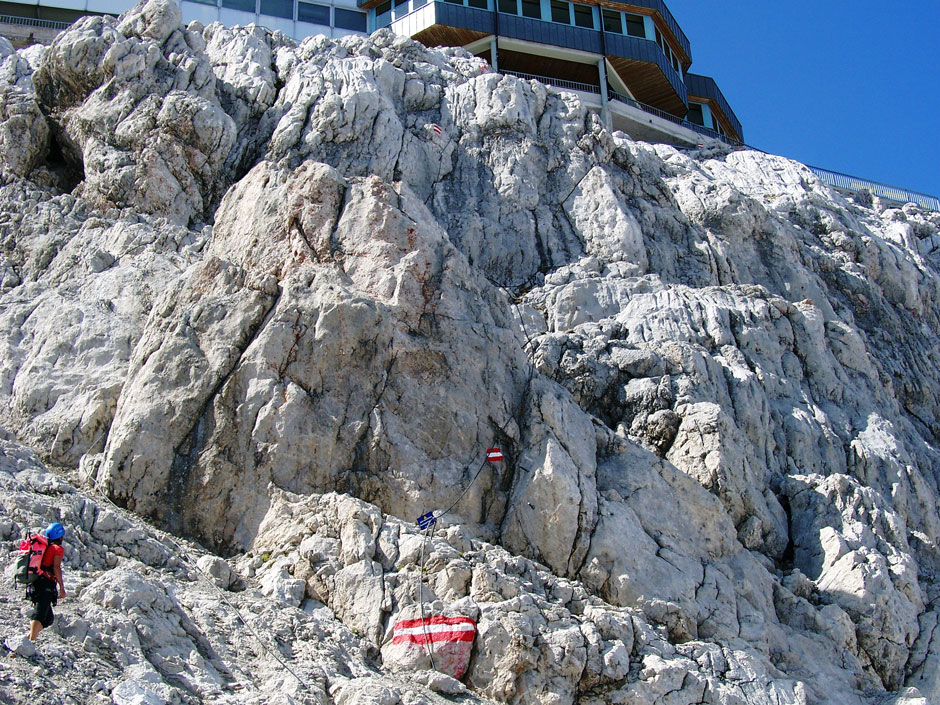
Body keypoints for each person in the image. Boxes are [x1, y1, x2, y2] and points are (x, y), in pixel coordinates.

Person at [27, 522, 66, 642]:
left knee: (48, 618)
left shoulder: (46, 547)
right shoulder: (57, 549)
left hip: (38, 580)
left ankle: (28, 639)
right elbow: (56, 567)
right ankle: (30, 641)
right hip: (46, 582)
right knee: (40, 612)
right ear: (60, 536)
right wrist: (61, 587)